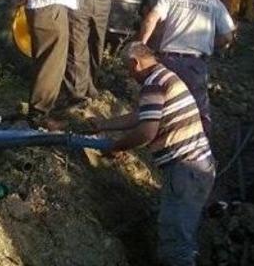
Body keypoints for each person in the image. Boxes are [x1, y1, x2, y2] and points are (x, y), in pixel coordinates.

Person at [88, 42, 215, 266]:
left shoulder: (153, 83)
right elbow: (140, 116)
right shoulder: (163, 77)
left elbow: (147, 131)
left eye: (127, 68)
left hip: (186, 169)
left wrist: (116, 147)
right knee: (183, 236)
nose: (129, 74)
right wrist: (103, 125)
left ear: (135, 63)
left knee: (176, 246)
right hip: (199, 166)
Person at [138, 0, 235, 134]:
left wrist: (142, 45)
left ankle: (142, 141)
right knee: (198, 112)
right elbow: (228, 36)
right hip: (196, 66)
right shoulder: (214, 2)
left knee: (155, 106)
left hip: (169, 62)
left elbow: (150, 19)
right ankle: (201, 151)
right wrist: (209, 43)